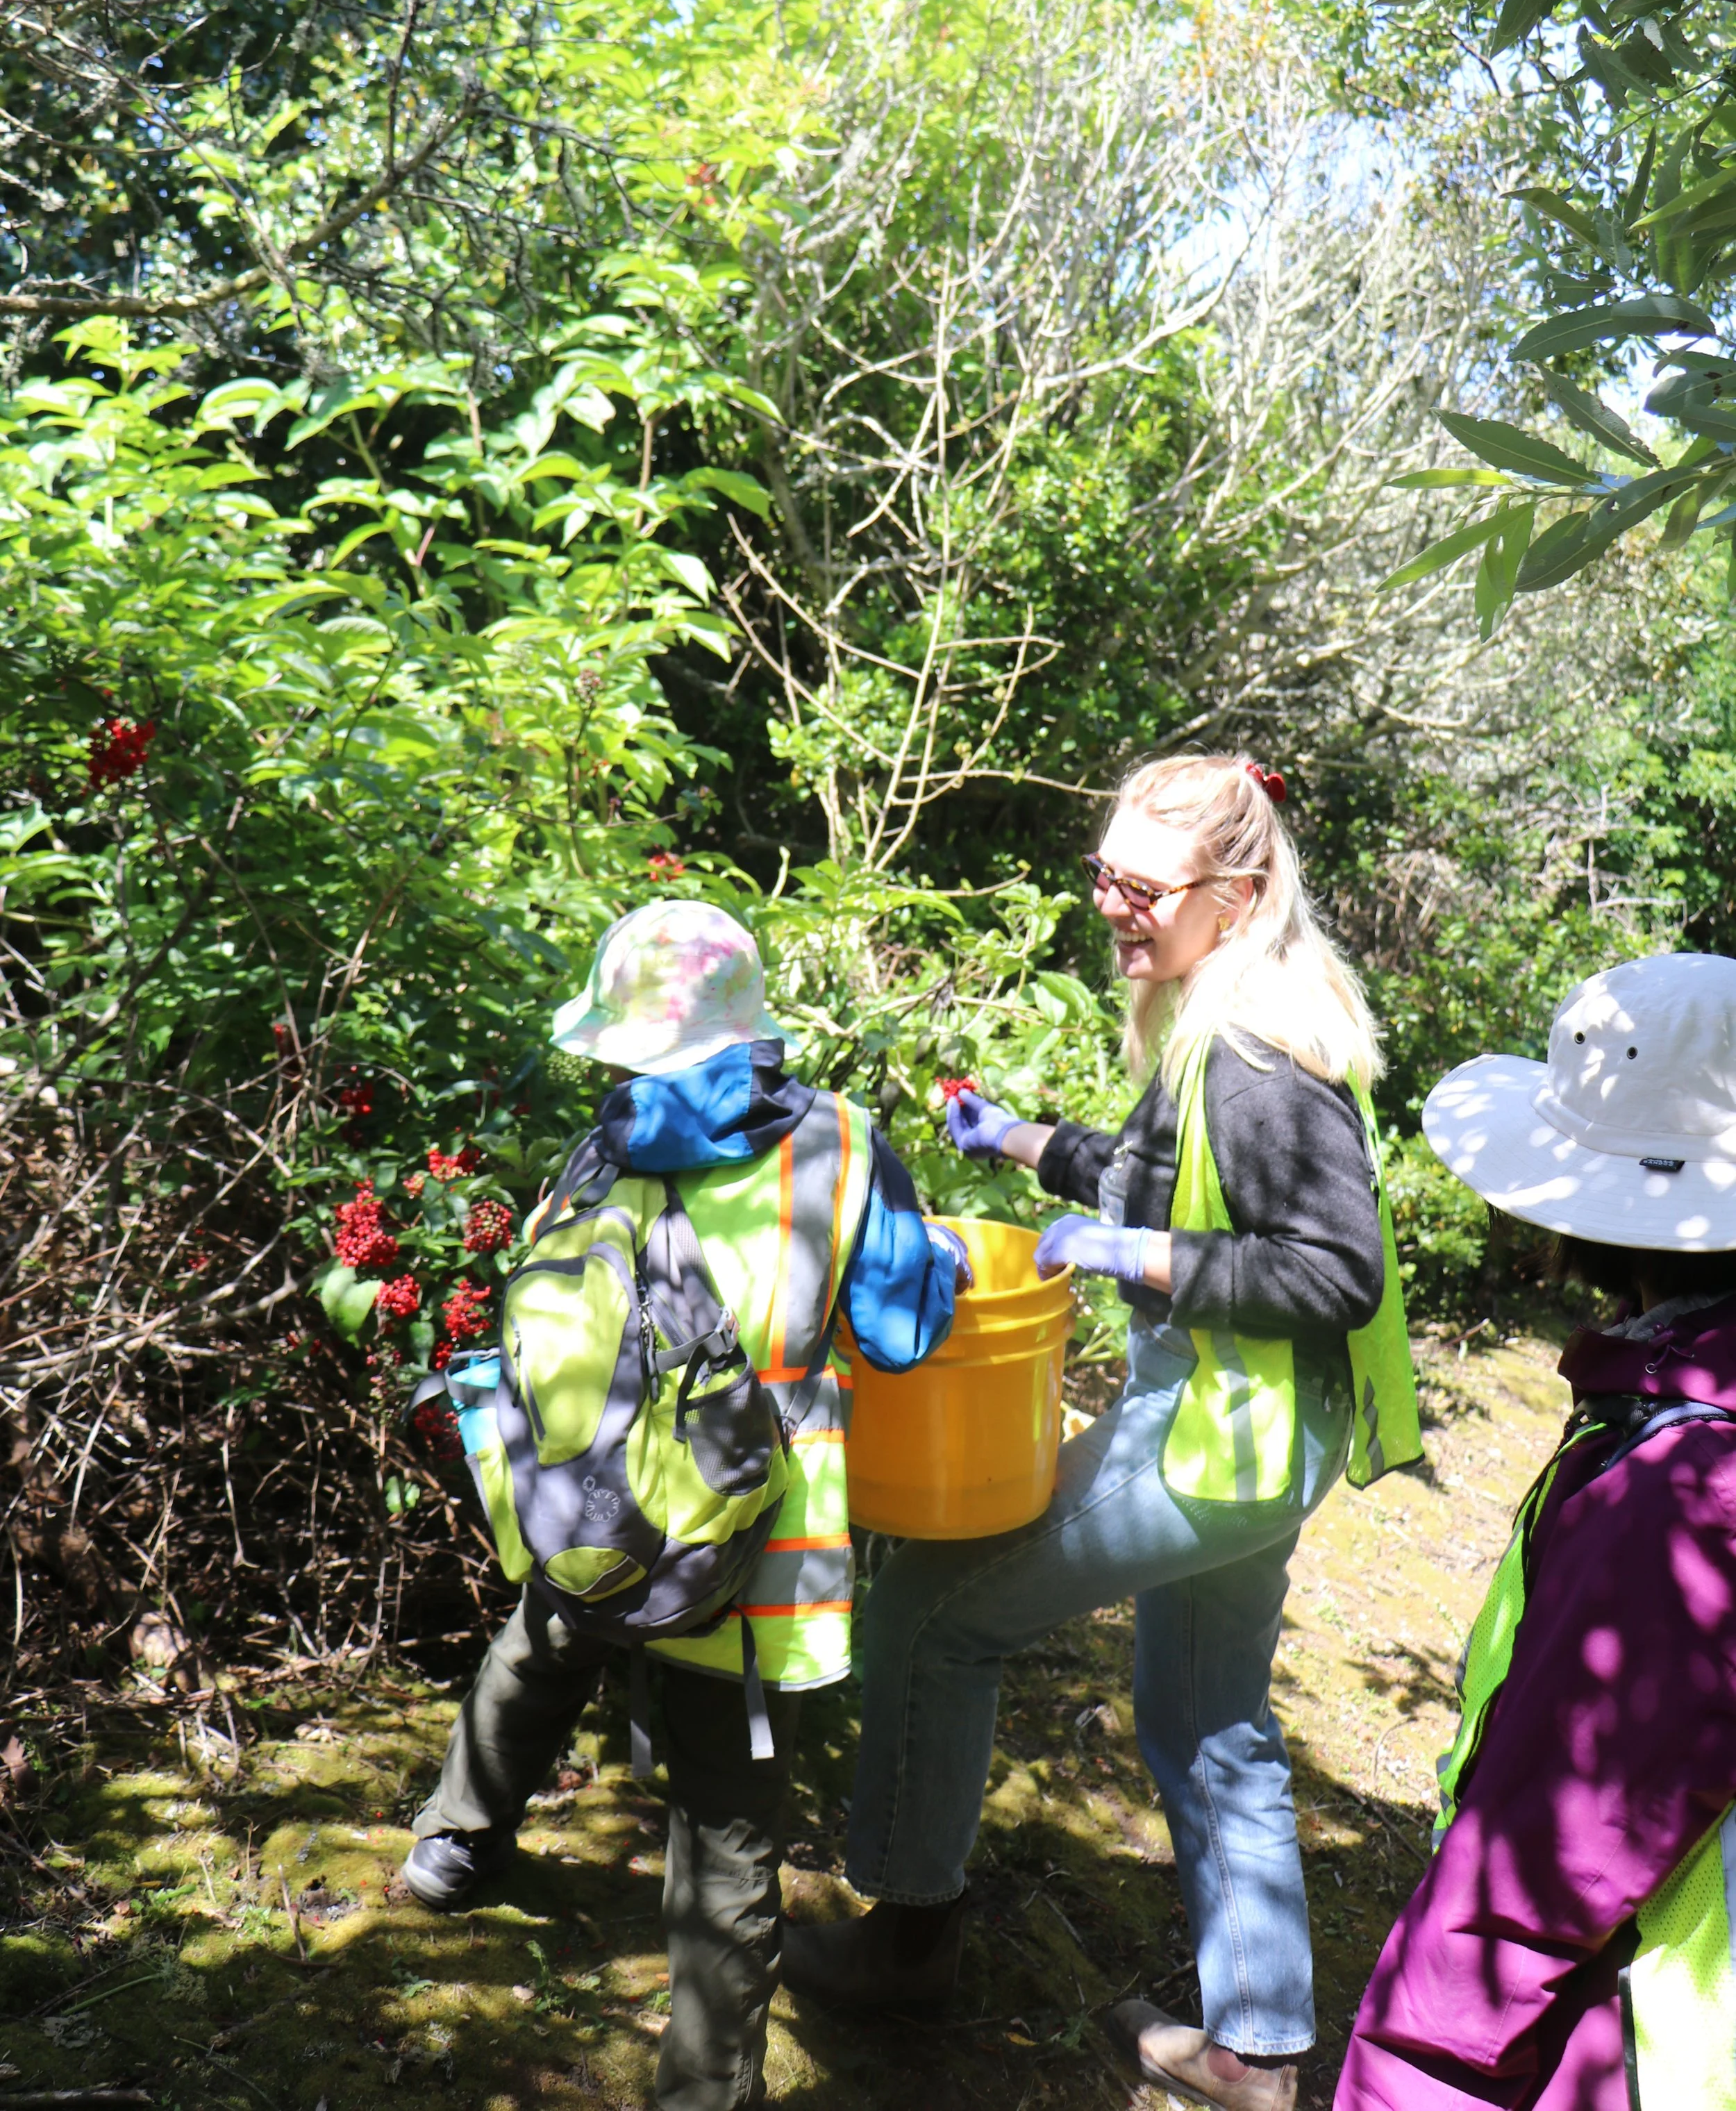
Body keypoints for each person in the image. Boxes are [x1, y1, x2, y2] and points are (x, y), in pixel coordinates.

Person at [784, 753, 1419, 2111]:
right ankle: (1253, 2051)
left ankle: (905, 1945)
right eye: (1103, 878)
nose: (1112, 908)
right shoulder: (1227, 1014)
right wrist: (1012, 1140)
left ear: (1231, 896)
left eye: (1140, 887)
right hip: (1262, 1441)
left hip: (1210, 1434)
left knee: (931, 1613)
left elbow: (1331, 1270)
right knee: (1203, 1718)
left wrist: (1141, 1255)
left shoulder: (1250, 1058)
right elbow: (1159, 1175)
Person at [401, 899, 965, 2111]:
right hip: (747, 1558)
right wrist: (942, 1262)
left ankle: (455, 1845)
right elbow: (904, 1333)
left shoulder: (605, 1137)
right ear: (750, 1028)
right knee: (725, 1831)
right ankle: (703, 2095)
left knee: (537, 1653)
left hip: (593, 1511)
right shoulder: (848, 1145)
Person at [1337, 949, 1736, 2111]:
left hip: (1641, 2042)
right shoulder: (1674, 1411)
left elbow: (1562, 1842)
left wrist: (1406, 2073)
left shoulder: (1686, 1491)